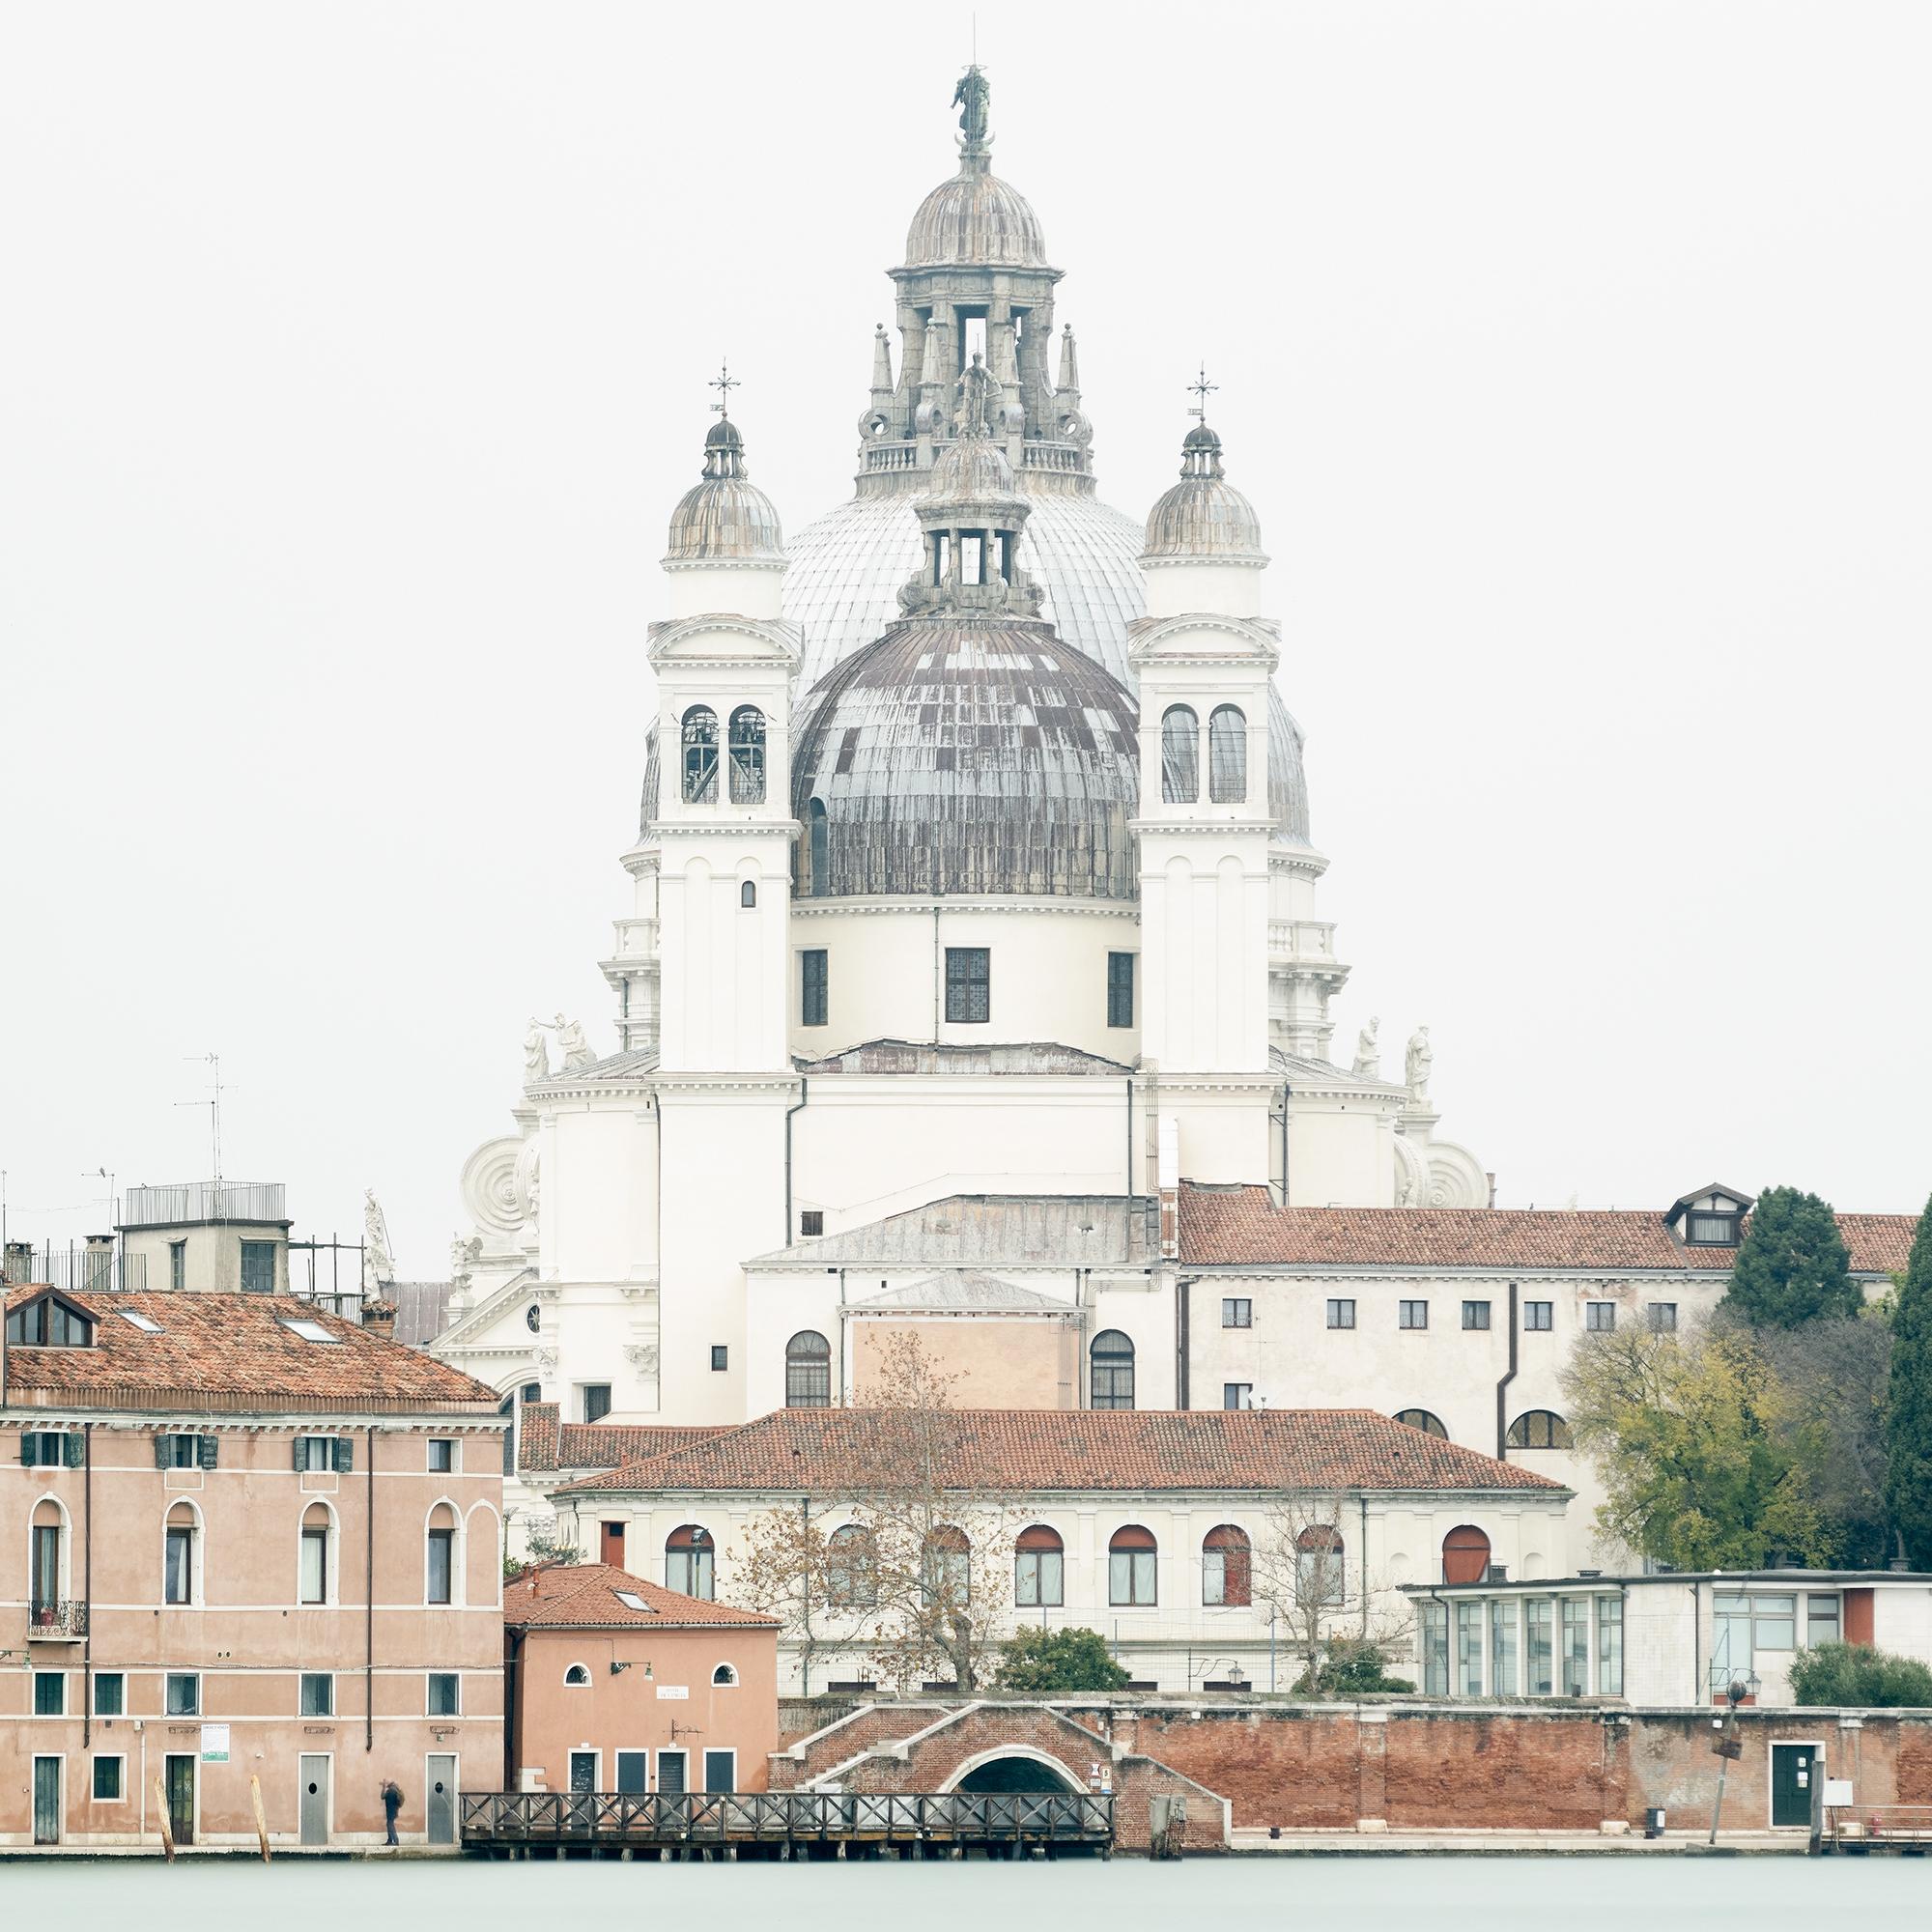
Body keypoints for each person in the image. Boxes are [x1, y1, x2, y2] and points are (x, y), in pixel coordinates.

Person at [381, 1778, 403, 1846]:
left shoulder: (391, 1791)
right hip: (394, 1811)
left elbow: (382, 1796)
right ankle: (390, 1840)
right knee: (389, 1824)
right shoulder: (395, 1790)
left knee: (390, 1825)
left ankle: (395, 1841)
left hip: (391, 1811)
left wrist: (383, 1788)